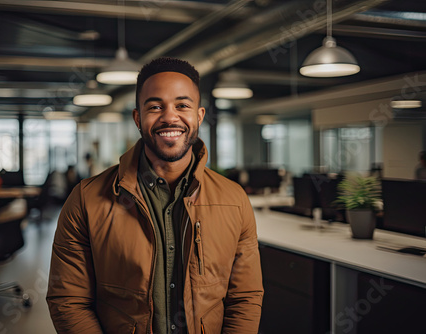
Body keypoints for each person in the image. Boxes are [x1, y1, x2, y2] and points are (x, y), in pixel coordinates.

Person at [46, 57, 264, 333]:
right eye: (155, 106)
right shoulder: (86, 199)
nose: (169, 117)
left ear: (199, 116)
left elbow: (244, 297)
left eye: (182, 105)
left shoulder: (235, 200)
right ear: (138, 118)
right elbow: (68, 300)